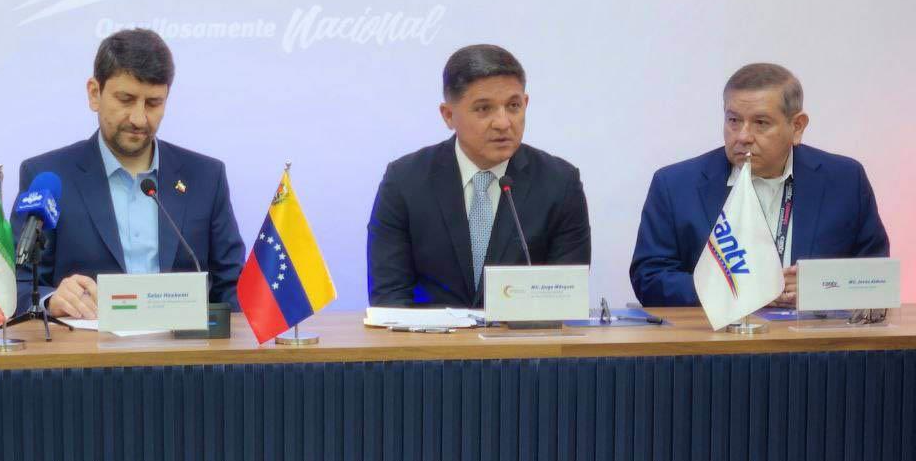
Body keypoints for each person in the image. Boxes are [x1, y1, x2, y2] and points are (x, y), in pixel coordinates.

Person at [14, 29, 244, 319]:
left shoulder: (206, 178)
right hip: (86, 345)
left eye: (153, 103)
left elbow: (233, 288)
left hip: (182, 347)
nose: (139, 119)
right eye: (126, 99)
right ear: (94, 93)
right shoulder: (48, 177)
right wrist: (51, 300)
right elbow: (18, 285)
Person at [630, 63, 889, 307]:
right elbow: (649, 279)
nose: (743, 136)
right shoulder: (675, 185)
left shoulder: (844, 180)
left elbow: (877, 276)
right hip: (714, 338)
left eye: (761, 123)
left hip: (814, 336)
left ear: (797, 127)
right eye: (733, 120)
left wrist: (819, 287)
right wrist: (738, 290)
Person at [366, 44, 591, 307]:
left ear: (526, 104)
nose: (503, 123)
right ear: (448, 115)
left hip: (524, 334)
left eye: (513, 106)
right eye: (484, 109)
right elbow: (389, 296)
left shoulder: (560, 183)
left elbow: (565, 296)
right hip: (430, 334)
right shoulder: (404, 181)